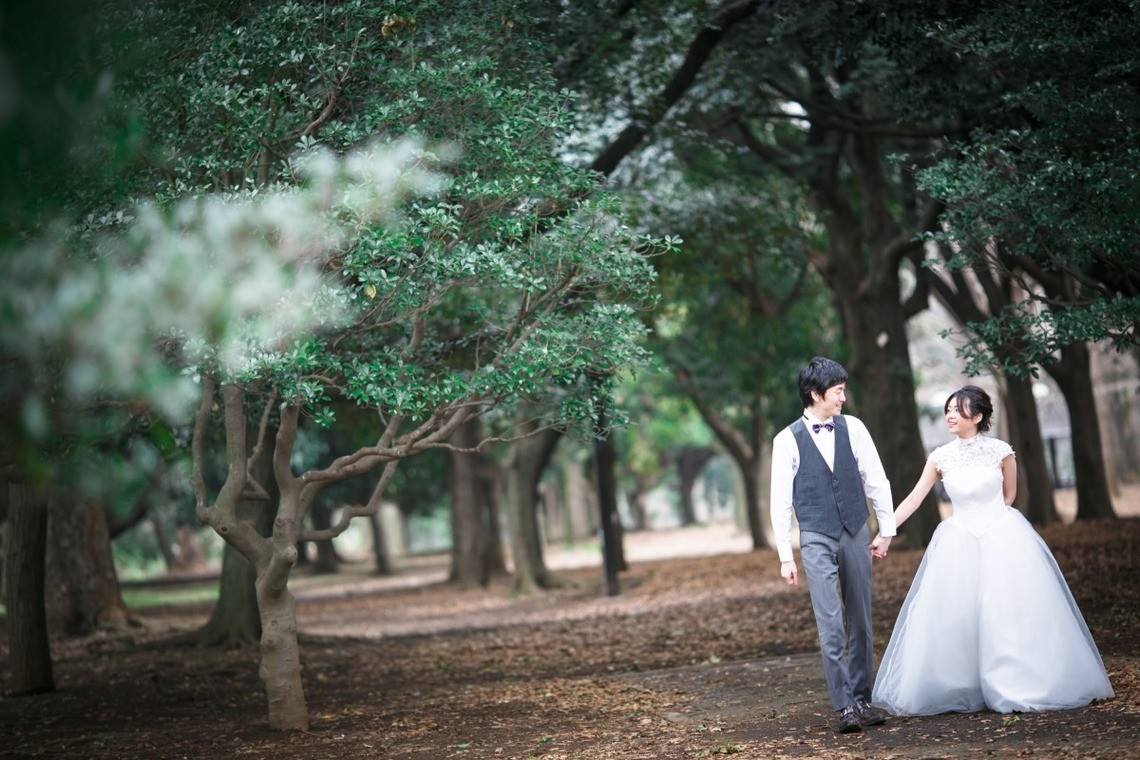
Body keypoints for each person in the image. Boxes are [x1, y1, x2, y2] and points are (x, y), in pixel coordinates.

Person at [872, 385, 1114, 715]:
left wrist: (990, 524)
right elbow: (914, 498)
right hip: (957, 541)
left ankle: (1016, 683)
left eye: (958, 409)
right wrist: (887, 532)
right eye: (948, 410)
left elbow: (1009, 496)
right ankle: (964, 684)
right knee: (959, 614)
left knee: (1006, 611)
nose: (950, 415)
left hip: (1002, 536)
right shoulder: (940, 456)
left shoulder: (1001, 451)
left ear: (979, 415)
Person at [770, 356, 897, 733]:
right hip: (815, 537)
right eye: (838, 391)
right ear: (815, 394)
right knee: (830, 623)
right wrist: (784, 556)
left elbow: (875, 477)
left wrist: (886, 528)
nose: (843, 397)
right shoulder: (786, 439)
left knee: (861, 616)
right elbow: (780, 501)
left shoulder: (854, 427)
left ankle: (862, 699)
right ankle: (844, 707)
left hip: (856, 530)